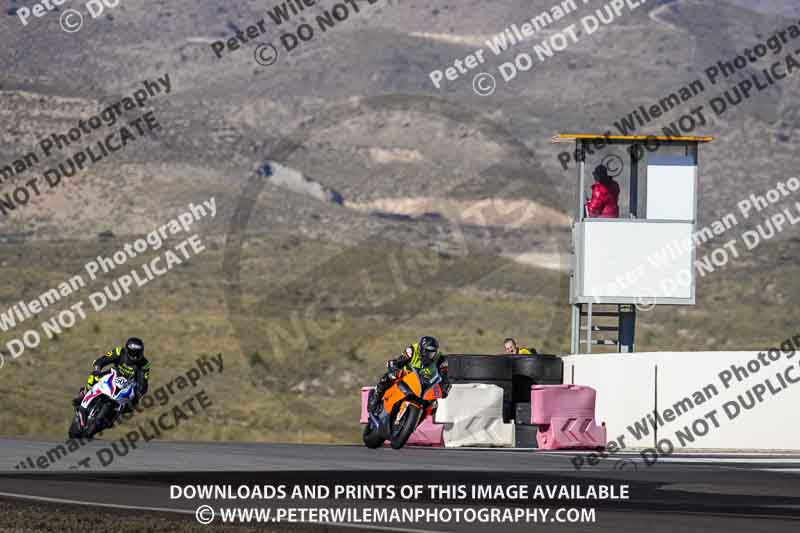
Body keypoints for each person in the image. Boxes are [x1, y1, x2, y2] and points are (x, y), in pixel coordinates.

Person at [368, 336, 450, 413]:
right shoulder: (413, 350)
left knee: (433, 406)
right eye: (426, 352)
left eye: (431, 353)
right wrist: (394, 368)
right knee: (388, 377)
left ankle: (415, 422)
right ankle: (375, 398)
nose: (428, 356)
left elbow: (444, 377)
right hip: (406, 376)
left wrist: (444, 387)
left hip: (425, 385)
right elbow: (399, 361)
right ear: (421, 349)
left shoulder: (441, 359)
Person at [72, 337, 151, 407]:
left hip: (127, 386)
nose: (136, 356)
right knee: (93, 377)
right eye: (133, 353)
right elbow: (102, 360)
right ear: (127, 350)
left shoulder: (144, 364)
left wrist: (138, 394)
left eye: (138, 353)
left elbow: (143, 383)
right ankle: (83, 395)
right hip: (112, 375)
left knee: (133, 405)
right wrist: (97, 370)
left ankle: (112, 417)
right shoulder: (119, 352)